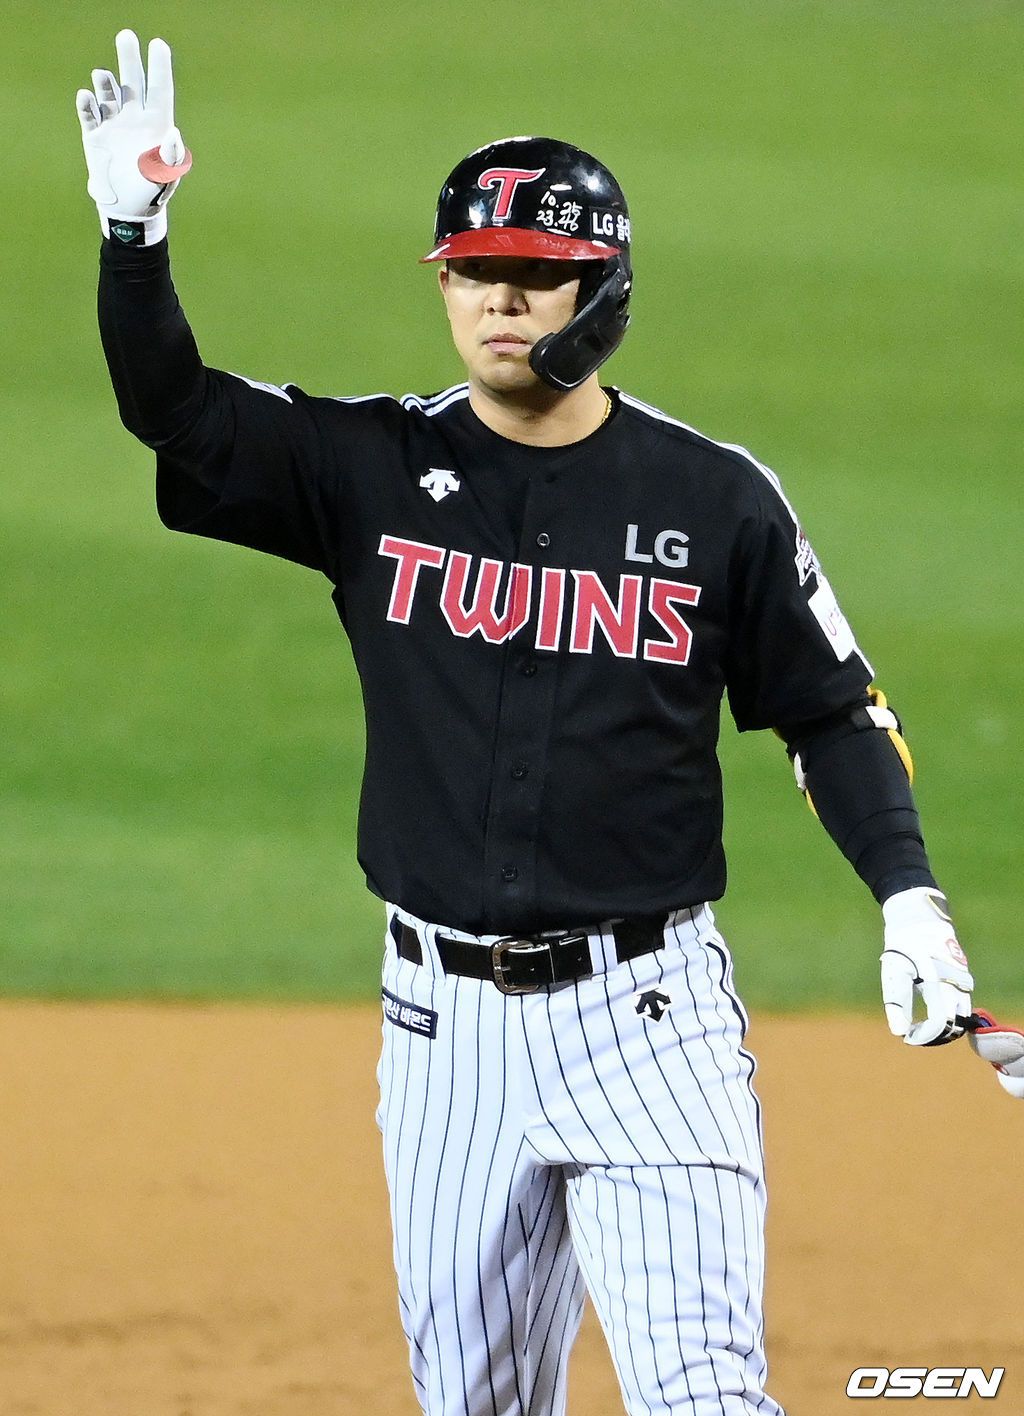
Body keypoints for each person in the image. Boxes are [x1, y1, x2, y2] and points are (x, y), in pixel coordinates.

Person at [76, 29, 1024, 1416]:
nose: (500, 302)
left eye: (536, 276)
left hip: (651, 1025)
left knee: (705, 1396)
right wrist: (132, 232)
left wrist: (909, 898)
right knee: (478, 1404)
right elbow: (175, 413)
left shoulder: (717, 502)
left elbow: (829, 710)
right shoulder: (370, 469)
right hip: (439, 1032)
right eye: (473, 275)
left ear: (605, 291)